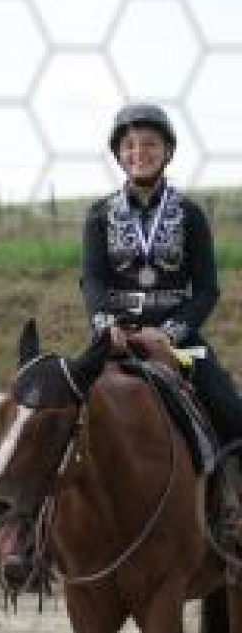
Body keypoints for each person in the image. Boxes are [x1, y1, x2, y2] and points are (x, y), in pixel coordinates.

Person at [80, 102, 242, 546]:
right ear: (119, 154)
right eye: (130, 145)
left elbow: (207, 289)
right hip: (116, 334)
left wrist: (169, 333)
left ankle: (230, 504)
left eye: (150, 144)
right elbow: (93, 280)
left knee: (230, 408)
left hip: (179, 338)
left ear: (167, 151)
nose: (139, 152)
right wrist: (106, 326)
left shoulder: (190, 214)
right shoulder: (99, 215)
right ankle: (36, 532)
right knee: (61, 406)